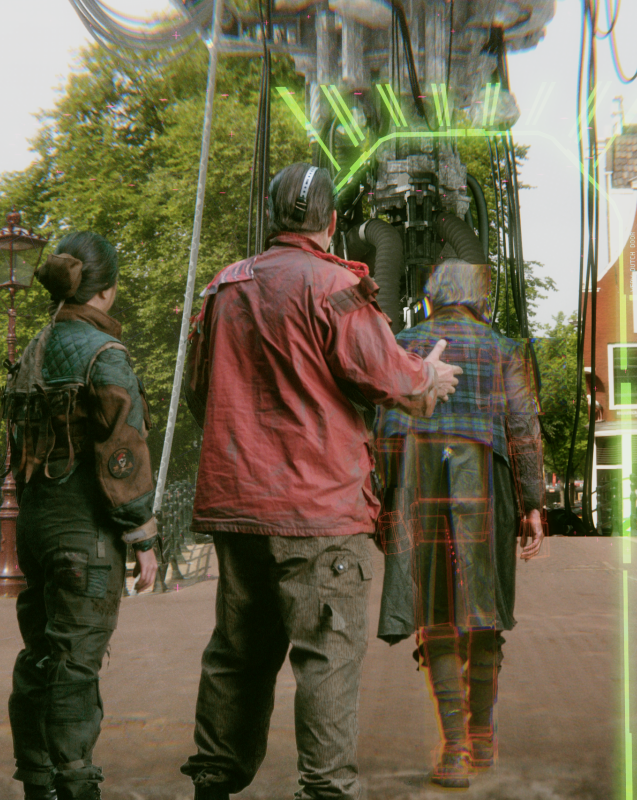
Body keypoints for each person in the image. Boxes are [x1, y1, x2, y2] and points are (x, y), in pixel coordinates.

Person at [178, 163, 463, 800]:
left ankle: (214, 781)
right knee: (326, 656)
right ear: (331, 223)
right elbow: (388, 376)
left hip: (237, 508)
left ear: (272, 218)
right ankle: (326, 790)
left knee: (236, 653)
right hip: (321, 513)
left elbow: (200, 391)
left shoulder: (224, 288)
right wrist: (429, 377)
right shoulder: (336, 286)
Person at [372, 258, 546, 788]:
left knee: (437, 611)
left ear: (431, 297)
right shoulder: (505, 348)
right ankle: (482, 737)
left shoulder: (403, 343)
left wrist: (382, 501)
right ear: (479, 299)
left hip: (420, 479)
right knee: (483, 608)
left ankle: (453, 749)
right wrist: (532, 503)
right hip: (483, 480)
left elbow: (383, 428)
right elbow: (523, 427)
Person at [0, 232, 160, 800]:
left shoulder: (34, 348)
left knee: (40, 656)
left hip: (36, 528)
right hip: (82, 533)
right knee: (74, 667)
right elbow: (122, 452)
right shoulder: (105, 354)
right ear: (107, 290)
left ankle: (37, 783)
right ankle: (74, 786)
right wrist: (144, 537)